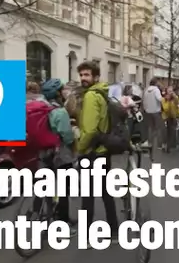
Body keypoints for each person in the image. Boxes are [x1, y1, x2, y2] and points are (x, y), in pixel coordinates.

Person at [75, 61, 119, 244]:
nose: (83, 78)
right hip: (103, 150)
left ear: (95, 77)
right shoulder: (103, 92)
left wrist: (80, 147)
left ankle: (85, 236)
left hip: (92, 151)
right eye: (82, 75)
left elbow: (91, 130)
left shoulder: (91, 96)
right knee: (105, 192)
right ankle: (114, 231)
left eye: (87, 75)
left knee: (87, 195)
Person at [39, 78, 77, 235]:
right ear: (57, 94)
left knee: (47, 187)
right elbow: (67, 137)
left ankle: (44, 216)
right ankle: (62, 223)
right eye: (61, 91)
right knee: (63, 190)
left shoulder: (42, 109)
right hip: (60, 155)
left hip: (43, 153)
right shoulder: (60, 112)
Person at [142, 78, 163, 158]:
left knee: (150, 128)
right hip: (156, 111)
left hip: (148, 111)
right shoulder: (156, 90)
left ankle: (149, 142)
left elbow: (144, 101)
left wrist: (146, 108)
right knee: (158, 128)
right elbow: (159, 99)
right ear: (156, 83)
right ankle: (158, 145)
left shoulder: (146, 90)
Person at [161, 86, 179, 152]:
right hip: (166, 117)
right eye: (169, 91)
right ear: (166, 92)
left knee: (171, 133)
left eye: (171, 91)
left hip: (173, 117)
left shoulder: (175, 98)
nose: (170, 93)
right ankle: (163, 145)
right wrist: (168, 101)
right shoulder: (164, 99)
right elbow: (166, 109)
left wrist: (175, 97)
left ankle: (168, 147)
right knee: (165, 132)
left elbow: (177, 105)